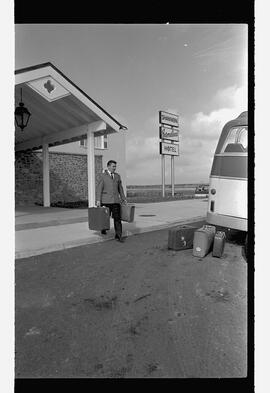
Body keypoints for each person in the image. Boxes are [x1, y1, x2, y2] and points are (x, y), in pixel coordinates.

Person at [96, 160, 127, 242]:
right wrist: (98, 200)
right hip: (106, 201)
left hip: (116, 201)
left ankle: (118, 235)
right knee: (105, 219)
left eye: (115, 166)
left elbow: (120, 188)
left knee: (117, 219)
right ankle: (103, 229)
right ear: (108, 166)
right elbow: (99, 188)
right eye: (113, 166)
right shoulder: (102, 176)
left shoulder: (117, 176)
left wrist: (123, 198)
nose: (115, 168)